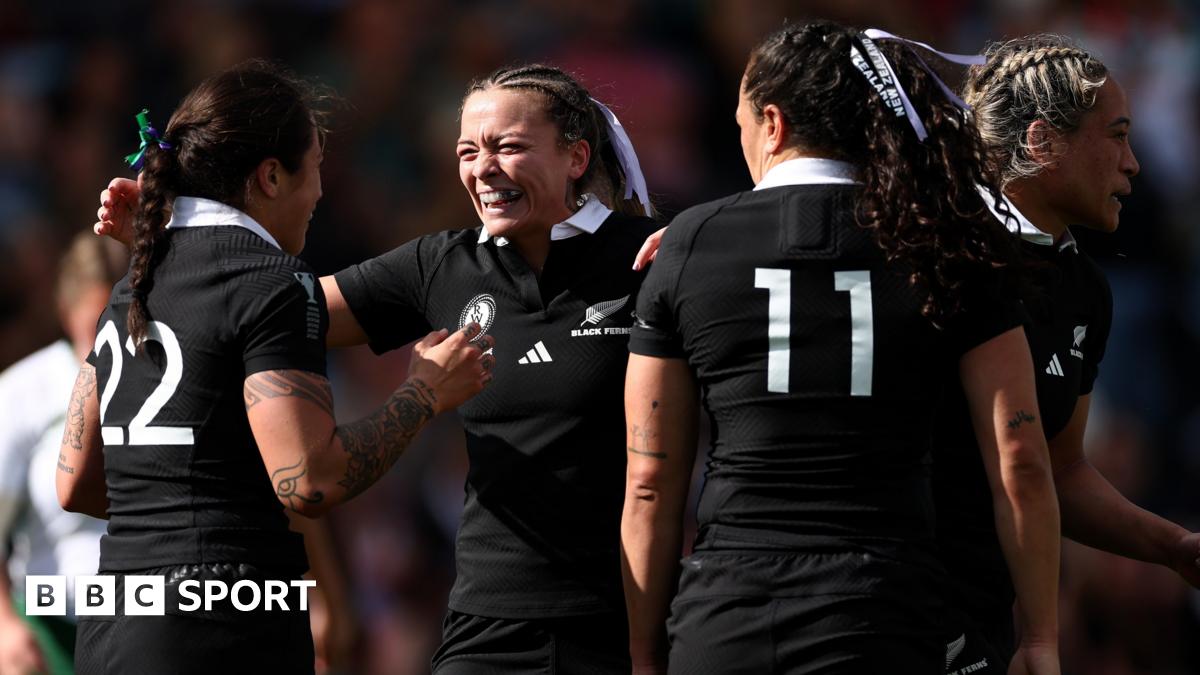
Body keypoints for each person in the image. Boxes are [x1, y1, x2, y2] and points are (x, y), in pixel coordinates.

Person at [96, 63, 659, 673]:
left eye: (509, 147)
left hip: (626, 618)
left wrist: (697, 246)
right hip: (486, 626)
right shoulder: (443, 264)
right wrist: (177, 253)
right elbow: (262, 311)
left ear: (576, 157)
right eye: (468, 150)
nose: (482, 168)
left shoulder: (656, 257)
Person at [620, 21, 1061, 674]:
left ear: (772, 122)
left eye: (741, 123)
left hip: (727, 610)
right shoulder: (949, 244)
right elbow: (1019, 457)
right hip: (882, 608)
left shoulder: (686, 245)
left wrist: (643, 652)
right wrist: (1043, 635)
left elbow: (651, 481)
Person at [58, 59, 493, 675]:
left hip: (111, 628)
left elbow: (74, 483)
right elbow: (309, 480)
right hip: (222, 630)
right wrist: (422, 392)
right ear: (269, 177)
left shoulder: (131, 285)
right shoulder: (272, 285)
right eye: (314, 169)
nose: (319, 194)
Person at [935, 34, 1200, 674]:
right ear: (1041, 142)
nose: (1134, 164)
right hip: (894, 607)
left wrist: (1174, 546)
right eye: (1116, 137)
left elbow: (1060, 469)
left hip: (981, 615)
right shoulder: (928, 252)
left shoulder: (1082, 288)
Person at [0, 233, 124, 675]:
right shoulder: (22, 394)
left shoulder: (170, 385)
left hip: (151, 627)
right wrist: (6, 627)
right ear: (65, 313)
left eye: (126, 318)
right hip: (51, 630)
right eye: (98, 322)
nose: (114, 338)